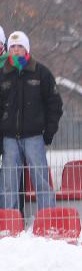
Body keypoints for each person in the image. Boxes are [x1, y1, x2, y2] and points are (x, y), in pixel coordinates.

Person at [0, 31, 62, 212]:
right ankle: (9, 221)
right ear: (8, 50)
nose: (16, 50)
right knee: (9, 182)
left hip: (34, 136)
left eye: (20, 46)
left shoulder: (41, 73)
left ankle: (48, 216)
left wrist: (49, 131)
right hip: (9, 137)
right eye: (12, 47)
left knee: (41, 180)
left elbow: (54, 104)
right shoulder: (2, 75)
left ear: (26, 49)